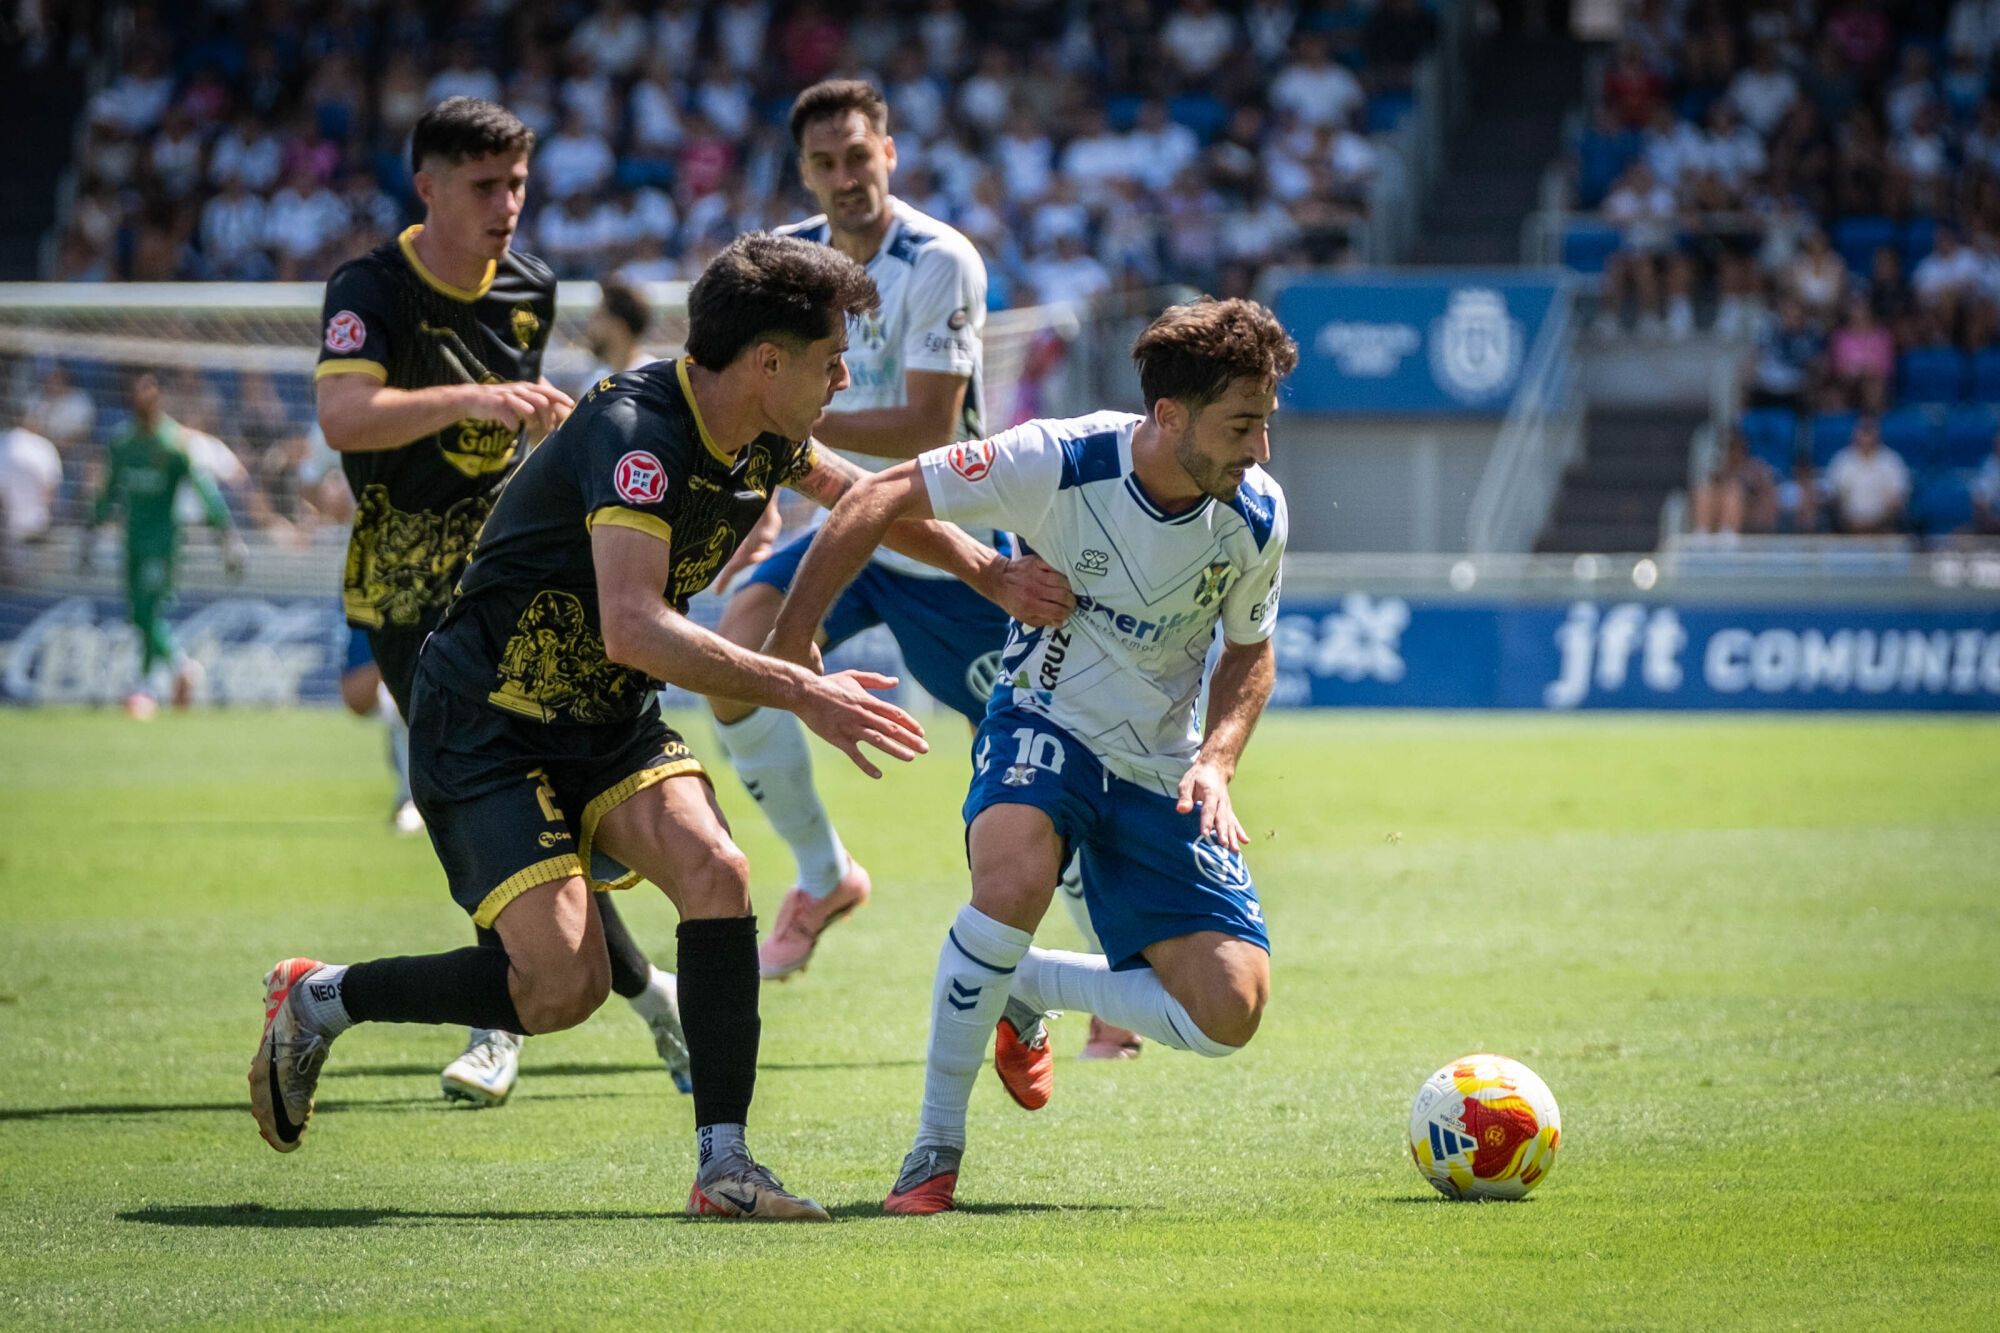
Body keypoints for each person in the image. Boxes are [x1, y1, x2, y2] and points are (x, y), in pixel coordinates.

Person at [250, 232, 1073, 1220]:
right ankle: (318, 998)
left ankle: (723, 1169)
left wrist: (982, 566)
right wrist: (800, 688)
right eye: (830, 359)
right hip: (486, 723)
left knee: (716, 871)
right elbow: (634, 626)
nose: (846, 377)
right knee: (560, 989)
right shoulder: (637, 430)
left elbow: (865, 500)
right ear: (766, 361)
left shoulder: (761, 425)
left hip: (604, 718)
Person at [765, 298, 1295, 1213]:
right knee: (1009, 880)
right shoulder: (1059, 458)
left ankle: (1025, 981)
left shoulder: (1255, 512)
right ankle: (934, 1148)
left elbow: (1249, 649)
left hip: (1157, 762)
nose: (1261, 450)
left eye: (1266, 424)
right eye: (1242, 425)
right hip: (1043, 717)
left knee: (1229, 1011)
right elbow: (875, 494)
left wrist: (1216, 758)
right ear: (1169, 416)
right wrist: (793, 643)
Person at [702, 77, 1142, 1059]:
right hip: (838, 516)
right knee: (733, 656)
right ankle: (822, 878)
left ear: (888, 154)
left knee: (1032, 755)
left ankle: (1113, 975)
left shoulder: (940, 260)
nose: (844, 178)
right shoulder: (782, 262)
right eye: (824, 163)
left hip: (950, 534)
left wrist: (785, 420)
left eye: (858, 157)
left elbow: (925, 426)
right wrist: (764, 480)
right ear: (803, 171)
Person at [308, 97, 687, 1106]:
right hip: (403, 592)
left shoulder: (529, 284)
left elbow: (505, 438)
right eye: (484, 185)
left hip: (508, 587)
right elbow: (344, 414)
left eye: (517, 183)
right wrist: (477, 399)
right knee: (490, 823)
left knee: (550, 816)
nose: (507, 204)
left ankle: (579, 1008)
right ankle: (565, 1011)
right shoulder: (370, 287)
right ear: (426, 186)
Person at [81, 372, 246, 717]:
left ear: (159, 399)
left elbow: (204, 490)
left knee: (148, 611)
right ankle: (176, 669)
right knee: (137, 612)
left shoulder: (174, 445)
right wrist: (92, 530)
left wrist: (226, 534)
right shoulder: (123, 443)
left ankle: (148, 685)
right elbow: (110, 491)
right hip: (132, 541)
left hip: (163, 541)